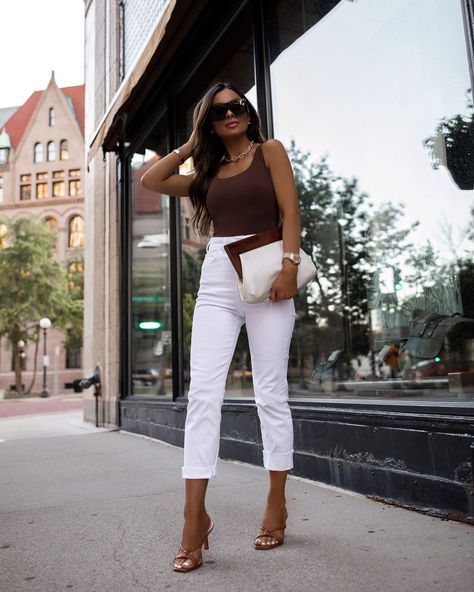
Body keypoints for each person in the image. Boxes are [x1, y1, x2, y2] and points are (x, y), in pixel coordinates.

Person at [141, 81, 302, 573]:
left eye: (237, 107)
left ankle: (276, 502)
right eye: (218, 112)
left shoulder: (269, 151)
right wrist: (192, 145)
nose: (230, 115)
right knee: (203, 395)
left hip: (267, 266)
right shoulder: (205, 170)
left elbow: (291, 211)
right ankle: (194, 518)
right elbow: (152, 180)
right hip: (217, 273)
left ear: (249, 114)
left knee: (269, 392)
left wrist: (290, 265)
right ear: (209, 123)